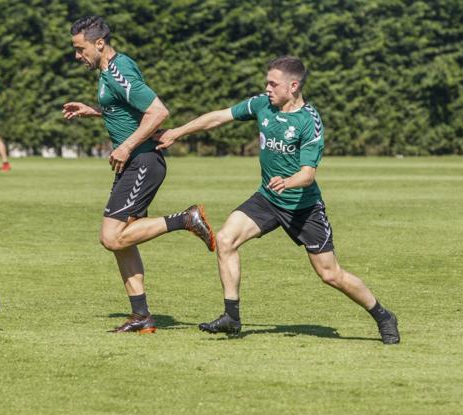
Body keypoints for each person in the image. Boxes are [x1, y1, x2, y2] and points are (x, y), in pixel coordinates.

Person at [155, 56, 400, 344]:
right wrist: (178, 132)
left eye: (273, 83)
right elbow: (219, 117)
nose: (267, 88)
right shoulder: (262, 104)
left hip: (303, 207)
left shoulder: (310, 121)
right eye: (267, 82)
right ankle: (231, 317)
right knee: (225, 239)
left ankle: (383, 315)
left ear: (293, 86)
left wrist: (289, 181)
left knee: (330, 274)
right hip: (268, 198)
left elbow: (308, 175)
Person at [63, 16, 216, 333]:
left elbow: (158, 111)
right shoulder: (109, 72)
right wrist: (94, 111)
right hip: (134, 162)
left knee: (111, 237)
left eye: (81, 49)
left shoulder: (118, 71)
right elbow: (128, 107)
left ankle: (186, 219)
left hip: (142, 162)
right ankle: (141, 316)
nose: (78, 56)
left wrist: (127, 146)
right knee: (121, 241)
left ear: (99, 43)